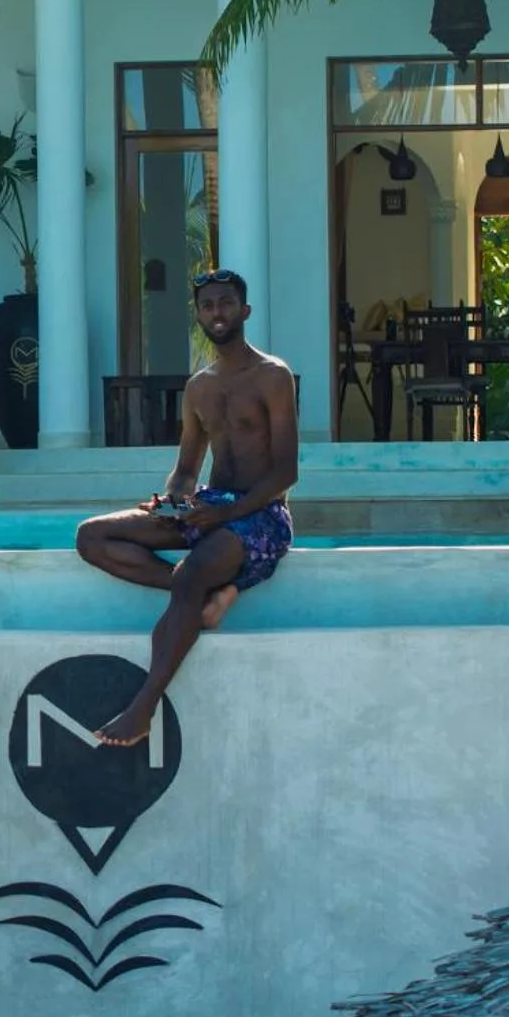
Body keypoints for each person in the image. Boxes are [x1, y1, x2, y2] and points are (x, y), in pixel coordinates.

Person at [74, 270, 299, 746]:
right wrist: (171, 502)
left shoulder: (273, 376)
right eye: (208, 306)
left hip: (261, 517)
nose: (217, 313)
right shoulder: (199, 387)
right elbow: (186, 469)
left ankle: (142, 708)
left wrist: (224, 516)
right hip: (210, 508)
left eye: (226, 304)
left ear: (245, 311)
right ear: (198, 315)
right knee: (92, 535)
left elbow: (285, 474)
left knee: (193, 576)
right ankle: (199, 592)